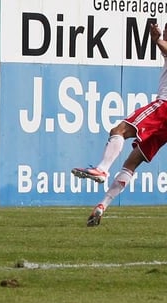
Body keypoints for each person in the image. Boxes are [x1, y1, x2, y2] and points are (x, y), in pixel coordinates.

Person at [72, 20, 167, 227]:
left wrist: (156, 39)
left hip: (164, 107)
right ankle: (102, 205)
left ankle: (102, 169)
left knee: (119, 130)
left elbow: (165, 48)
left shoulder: (165, 45)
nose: (165, 31)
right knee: (131, 163)